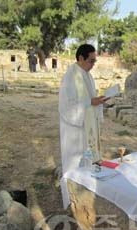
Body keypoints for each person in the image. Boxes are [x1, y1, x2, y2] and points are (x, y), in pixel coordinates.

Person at [59, 44, 107, 174]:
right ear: (81, 58)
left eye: (94, 61)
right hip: (75, 130)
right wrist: (91, 101)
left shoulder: (87, 75)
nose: (93, 64)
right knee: (75, 165)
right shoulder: (70, 76)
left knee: (87, 161)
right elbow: (67, 106)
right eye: (91, 61)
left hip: (87, 126)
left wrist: (98, 100)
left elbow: (89, 99)